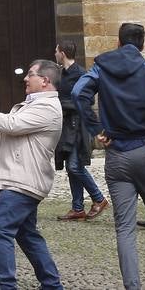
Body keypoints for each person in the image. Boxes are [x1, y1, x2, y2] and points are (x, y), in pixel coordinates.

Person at [72, 22, 145, 290]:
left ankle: (133, 287)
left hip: (117, 153)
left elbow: (77, 92)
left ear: (118, 41)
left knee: (124, 228)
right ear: (142, 45)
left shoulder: (100, 66)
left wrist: (96, 128)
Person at [0, 59, 65, 290]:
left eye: (30, 74)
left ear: (45, 80)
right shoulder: (37, 104)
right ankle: (51, 284)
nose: (25, 78)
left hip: (23, 182)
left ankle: (7, 285)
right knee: (26, 233)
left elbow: (12, 124)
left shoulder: (47, 107)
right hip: (22, 178)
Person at [53, 40, 108, 222]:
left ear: (62, 52)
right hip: (66, 126)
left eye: (56, 51)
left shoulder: (81, 73)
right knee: (71, 167)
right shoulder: (60, 74)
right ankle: (77, 208)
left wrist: (61, 105)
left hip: (79, 126)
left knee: (75, 166)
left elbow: (87, 100)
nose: (55, 54)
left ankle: (99, 198)